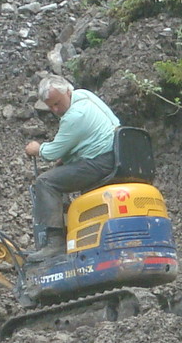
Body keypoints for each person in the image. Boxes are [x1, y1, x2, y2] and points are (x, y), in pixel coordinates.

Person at [24, 75, 120, 260]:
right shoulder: (85, 96)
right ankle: (71, 225)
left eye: (57, 103)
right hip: (113, 154)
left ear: (68, 91)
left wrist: (37, 148)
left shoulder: (74, 116)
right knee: (59, 174)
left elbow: (51, 153)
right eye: (51, 106)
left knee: (45, 182)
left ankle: (55, 243)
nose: (55, 110)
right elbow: (85, 139)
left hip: (99, 161)